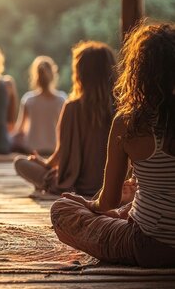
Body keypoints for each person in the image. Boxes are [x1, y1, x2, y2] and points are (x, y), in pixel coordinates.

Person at [51, 23, 175, 267]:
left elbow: (107, 201)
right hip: (150, 225)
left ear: (138, 71)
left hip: (150, 245)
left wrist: (90, 205)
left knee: (62, 209)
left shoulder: (129, 122)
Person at [14, 41, 116, 197]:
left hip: (75, 186)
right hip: (112, 188)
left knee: (20, 163)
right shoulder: (122, 107)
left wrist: (44, 163)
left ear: (80, 73)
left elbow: (61, 153)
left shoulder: (72, 107)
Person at [13, 56, 66, 156]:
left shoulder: (28, 99)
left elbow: (20, 129)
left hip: (32, 152)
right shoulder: (61, 99)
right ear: (53, 75)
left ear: (35, 77)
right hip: (54, 151)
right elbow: (65, 128)